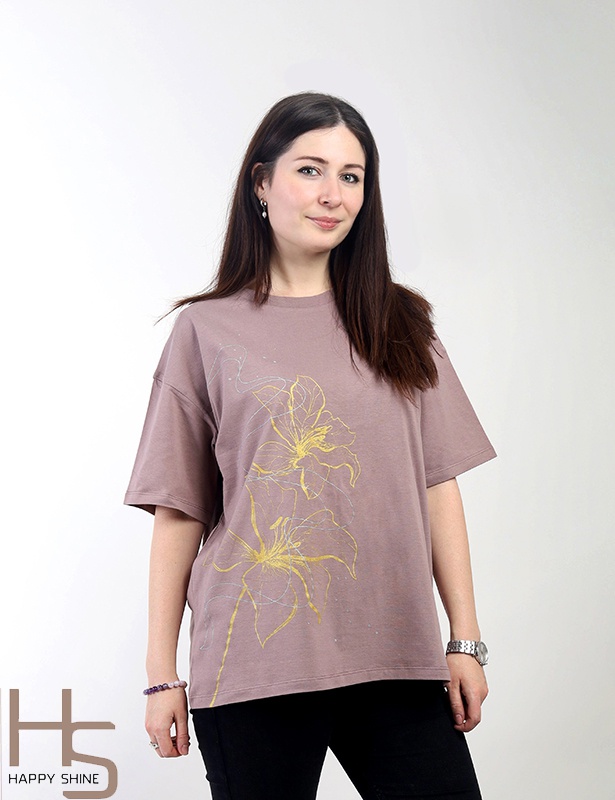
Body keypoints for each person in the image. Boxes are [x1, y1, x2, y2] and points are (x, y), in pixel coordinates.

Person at [125, 92, 496, 800]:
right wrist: (160, 673)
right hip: (254, 665)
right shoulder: (204, 332)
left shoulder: (401, 322)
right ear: (261, 183)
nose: (333, 195)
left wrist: (463, 639)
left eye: (351, 176)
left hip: (397, 655)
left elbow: (436, 484)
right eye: (310, 170)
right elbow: (179, 509)